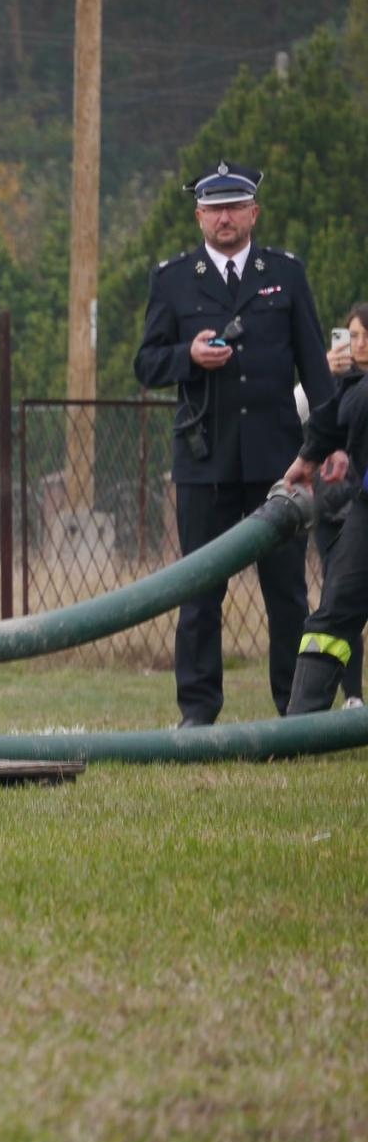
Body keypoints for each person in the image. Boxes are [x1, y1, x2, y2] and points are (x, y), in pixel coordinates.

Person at [133, 160, 332, 727]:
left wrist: (326, 444)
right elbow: (145, 365)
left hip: (279, 463)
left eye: (235, 207)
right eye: (214, 208)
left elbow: (315, 369)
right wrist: (187, 358)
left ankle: (296, 708)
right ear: (199, 215)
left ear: (253, 213)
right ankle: (197, 711)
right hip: (205, 462)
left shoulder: (286, 275)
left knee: (288, 593)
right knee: (199, 594)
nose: (225, 218)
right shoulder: (172, 280)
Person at [282, 306, 368, 713]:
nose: (360, 344)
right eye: (354, 336)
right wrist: (308, 457)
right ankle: (300, 726)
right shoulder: (354, 389)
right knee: (334, 610)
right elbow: (334, 418)